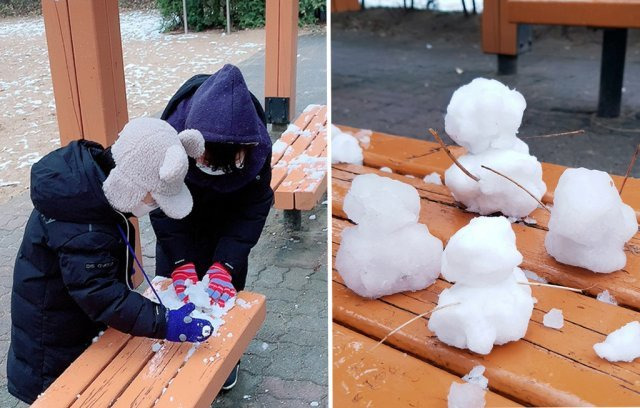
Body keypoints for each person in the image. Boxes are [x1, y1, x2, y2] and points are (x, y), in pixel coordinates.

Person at [8, 117, 213, 404]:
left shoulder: (95, 194)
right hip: (52, 344)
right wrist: (163, 321)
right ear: (131, 183)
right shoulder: (84, 225)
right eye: (154, 199)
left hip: (76, 322)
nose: (152, 206)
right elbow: (100, 294)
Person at [150, 64, 273, 390]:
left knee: (223, 294)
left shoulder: (256, 144)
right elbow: (162, 207)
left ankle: (223, 359)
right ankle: (174, 363)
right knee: (177, 297)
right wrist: (179, 262)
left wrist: (227, 262)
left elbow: (253, 207)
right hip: (181, 221)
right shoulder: (169, 142)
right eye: (206, 162)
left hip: (227, 224)